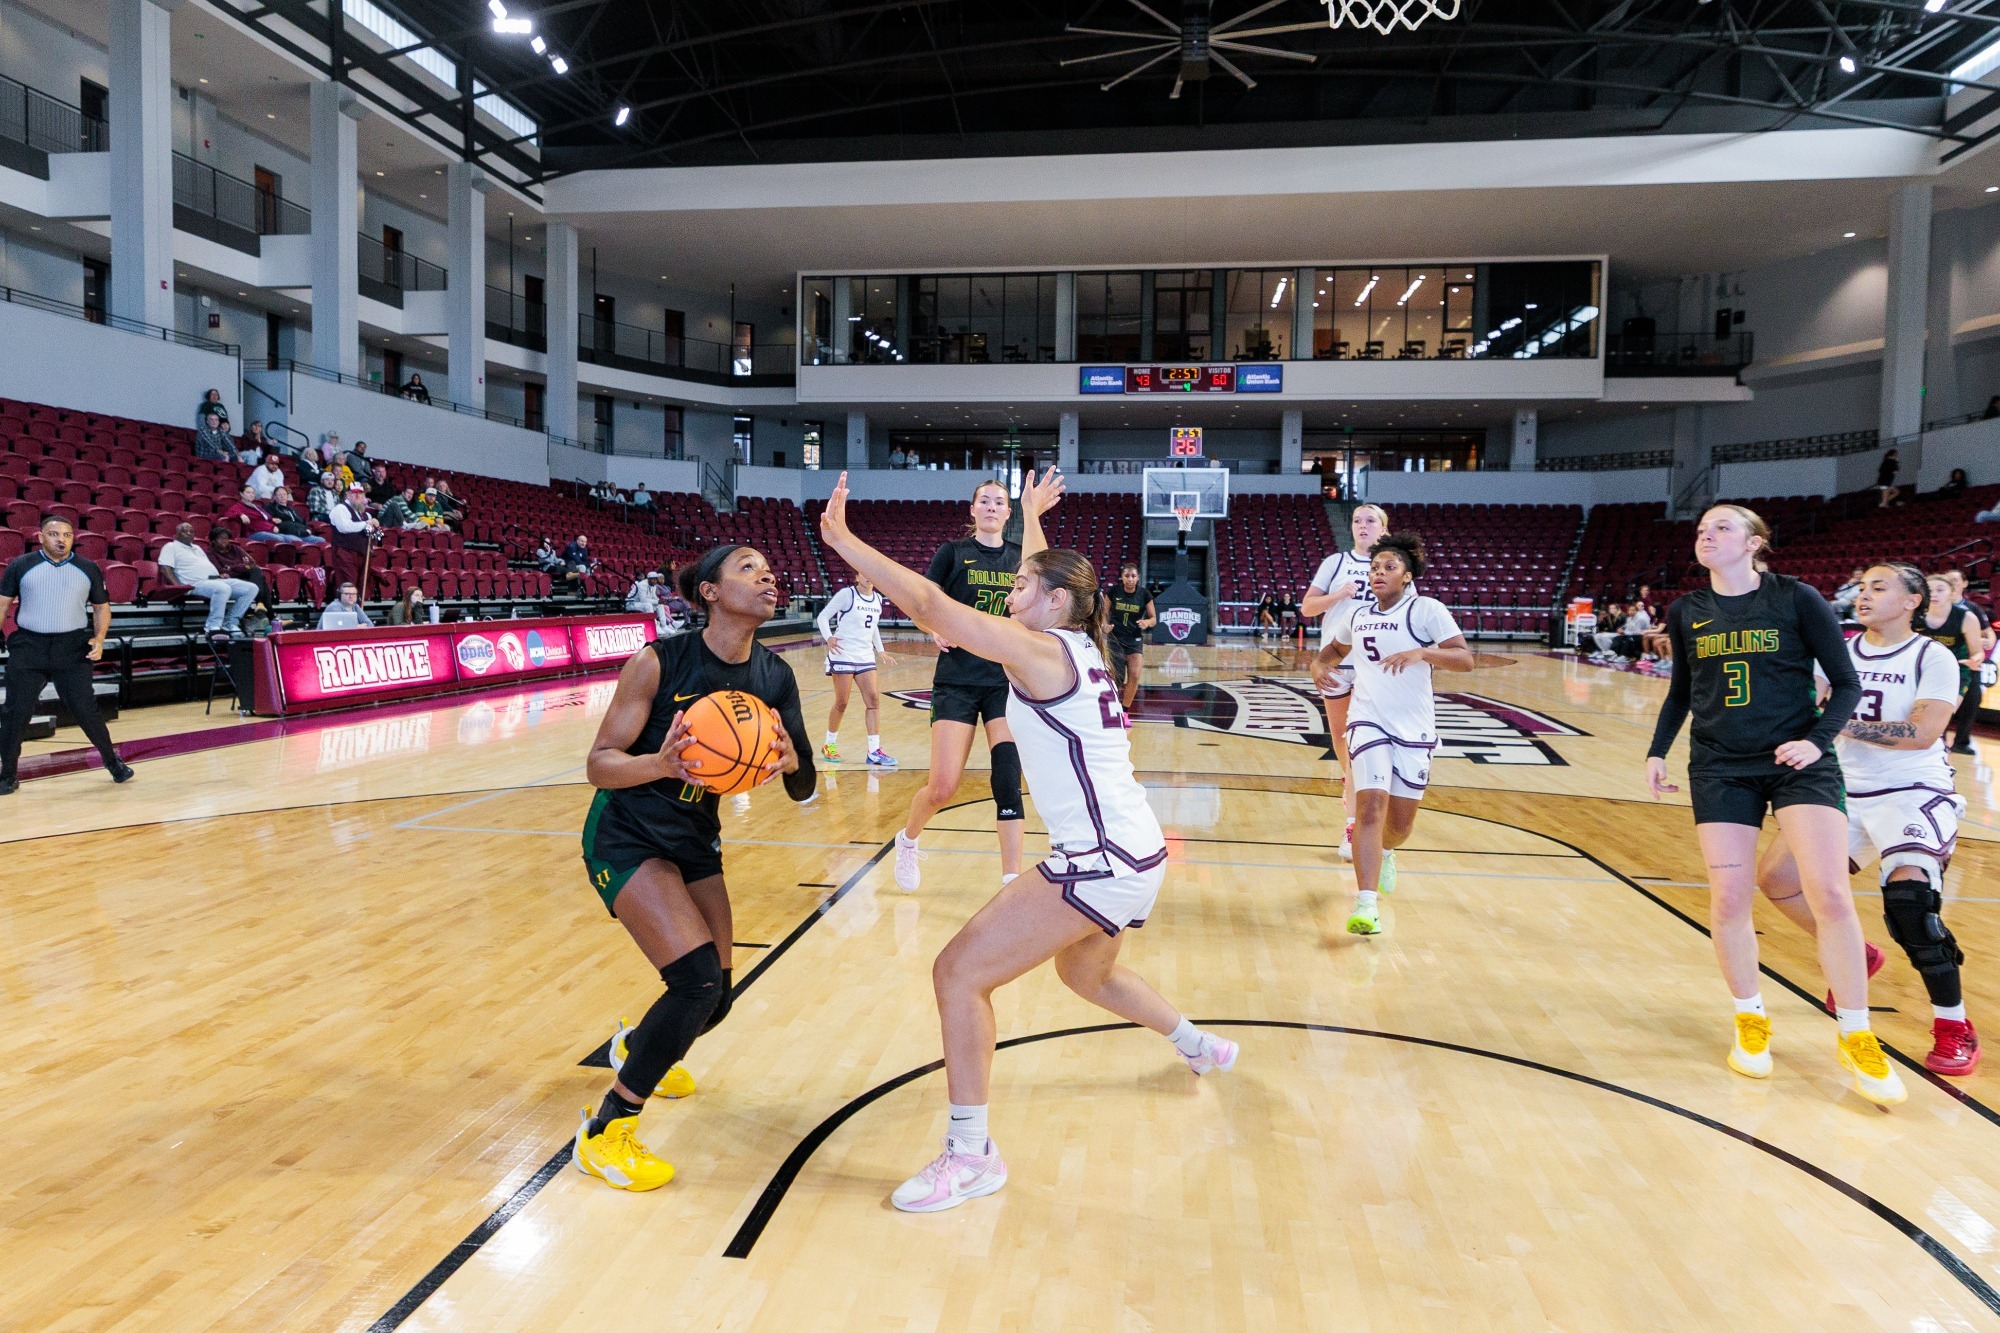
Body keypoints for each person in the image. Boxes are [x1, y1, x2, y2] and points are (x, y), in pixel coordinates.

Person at [816, 469, 1235, 1213]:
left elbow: (928, 602)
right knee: (1090, 976)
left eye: (1020, 588)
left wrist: (847, 540)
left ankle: (971, 1155)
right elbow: (1040, 577)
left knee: (956, 974)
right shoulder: (1074, 644)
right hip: (1133, 852)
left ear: (1052, 604)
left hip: (1098, 861)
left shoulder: (1038, 651)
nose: (1009, 594)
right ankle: (1199, 1043)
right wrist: (1037, 517)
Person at [572, 543, 816, 1192]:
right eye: (747, 566)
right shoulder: (658, 662)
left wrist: (790, 763)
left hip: (694, 837)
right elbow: (599, 763)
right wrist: (661, 762)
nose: (768, 573)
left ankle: (634, 1045)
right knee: (696, 982)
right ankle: (606, 1133)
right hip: (626, 831)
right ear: (709, 591)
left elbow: (804, 783)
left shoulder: (774, 678)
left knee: (717, 1000)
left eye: (770, 566)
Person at [1643, 504, 1904, 1106]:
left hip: (1797, 762)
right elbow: (1683, 688)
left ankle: (1857, 1035)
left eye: (1723, 528)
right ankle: (1750, 1020)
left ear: (1755, 543)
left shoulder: (1796, 597)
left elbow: (1846, 683)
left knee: (1831, 893)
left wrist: (1815, 743)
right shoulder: (1687, 610)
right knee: (1730, 897)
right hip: (1719, 766)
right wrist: (1659, 750)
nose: (1707, 535)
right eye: (1702, 529)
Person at [1755, 564, 1980, 1076]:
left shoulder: (1933, 656)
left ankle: (1954, 1025)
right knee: (1776, 880)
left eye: (1879, 587)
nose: (1865, 595)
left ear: (1911, 601)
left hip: (1912, 790)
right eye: (1862, 587)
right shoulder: (1841, 650)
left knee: (1910, 906)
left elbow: (1923, 733)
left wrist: (1839, 723)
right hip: (1843, 789)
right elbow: (1803, 703)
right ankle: (1856, 953)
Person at [1309, 532, 1474, 936]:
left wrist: (1423, 653)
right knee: (1369, 808)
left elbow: (1465, 659)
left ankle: (1387, 851)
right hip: (1367, 721)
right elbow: (1331, 652)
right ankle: (1366, 904)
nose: (1379, 573)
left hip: (1414, 729)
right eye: (1375, 567)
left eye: (1389, 567)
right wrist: (1318, 666)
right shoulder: (1357, 614)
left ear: (1408, 575)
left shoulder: (1427, 611)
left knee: (1398, 827)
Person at [890, 477, 1032, 893]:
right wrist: (929, 628)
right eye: (984, 501)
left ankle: (1011, 882)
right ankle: (908, 839)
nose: (991, 507)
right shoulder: (953, 553)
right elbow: (923, 603)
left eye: (999, 502)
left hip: (1005, 682)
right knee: (943, 786)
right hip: (957, 681)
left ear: (1009, 512)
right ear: (972, 510)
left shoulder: (1022, 559)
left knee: (1007, 778)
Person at [0, 515, 132, 793]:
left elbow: (101, 607)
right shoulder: (20, 565)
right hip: (29, 647)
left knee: (87, 709)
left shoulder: (87, 568)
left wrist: (99, 638)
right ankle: (8, 774)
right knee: (16, 712)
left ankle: (113, 762)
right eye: (54, 534)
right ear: (40, 537)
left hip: (71, 648)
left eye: (67, 535)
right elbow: (2, 605)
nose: (61, 539)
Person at [1300, 504, 1391, 861]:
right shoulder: (1335, 563)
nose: (1362, 526)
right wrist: (1339, 595)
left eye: (1370, 521)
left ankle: (1353, 823)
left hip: (1374, 668)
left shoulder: (1392, 566)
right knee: (1341, 741)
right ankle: (1350, 784)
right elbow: (1308, 608)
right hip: (1336, 663)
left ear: (1383, 528)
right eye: (1356, 521)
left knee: (1360, 745)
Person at [815, 572, 897, 767]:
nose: (869, 576)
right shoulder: (847, 594)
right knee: (842, 702)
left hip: (865, 656)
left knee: (873, 700)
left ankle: (874, 751)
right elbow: (823, 617)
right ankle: (829, 744)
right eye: (864, 573)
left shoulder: (877, 599)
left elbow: (874, 626)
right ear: (857, 577)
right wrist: (828, 638)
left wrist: (881, 650)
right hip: (843, 653)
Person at [1916, 573, 1984, 757]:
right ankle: (1934, 750)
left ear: (1952, 593)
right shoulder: (1915, 617)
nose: (1935, 594)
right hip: (1924, 669)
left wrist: (1976, 659)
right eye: (1930, 590)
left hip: (1957, 670)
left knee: (1943, 715)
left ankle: (1942, 753)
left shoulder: (1966, 617)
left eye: (1940, 589)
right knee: (1920, 717)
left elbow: (1977, 651)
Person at [156, 522, 257, 635]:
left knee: (251, 588)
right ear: (177, 534)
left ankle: (230, 622)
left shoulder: (197, 548)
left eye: (191, 531)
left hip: (214, 580)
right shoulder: (170, 546)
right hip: (193, 583)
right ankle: (213, 625)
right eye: (185, 531)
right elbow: (165, 568)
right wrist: (179, 587)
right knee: (222, 588)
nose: (189, 533)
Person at [1105, 562, 1156, 710]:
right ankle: (1113, 708)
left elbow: (1154, 619)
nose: (1130, 579)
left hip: (1134, 640)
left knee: (1134, 675)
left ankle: (1125, 711)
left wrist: (1147, 622)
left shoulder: (1144, 594)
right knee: (1118, 678)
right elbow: (1103, 613)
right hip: (1115, 639)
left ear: (1138, 577)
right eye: (1127, 576)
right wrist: (1104, 625)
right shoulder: (1114, 591)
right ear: (1122, 577)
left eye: (1133, 576)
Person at [206, 525, 274, 619]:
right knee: (260, 580)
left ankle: (262, 609)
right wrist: (242, 566)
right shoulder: (210, 553)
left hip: (244, 576)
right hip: (229, 580)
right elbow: (221, 570)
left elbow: (252, 563)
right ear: (213, 540)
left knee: (256, 571)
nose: (224, 541)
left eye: (226, 538)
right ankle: (270, 615)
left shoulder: (235, 548)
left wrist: (232, 567)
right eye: (220, 538)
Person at [327, 483, 380, 601]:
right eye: (353, 493)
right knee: (348, 583)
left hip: (362, 553)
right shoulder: (340, 509)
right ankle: (345, 612)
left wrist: (375, 527)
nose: (357, 496)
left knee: (361, 586)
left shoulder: (365, 514)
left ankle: (356, 611)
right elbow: (344, 527)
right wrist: (367, 523)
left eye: (360, 493)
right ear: (347, 495)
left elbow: (372, 533)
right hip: (345, 552)